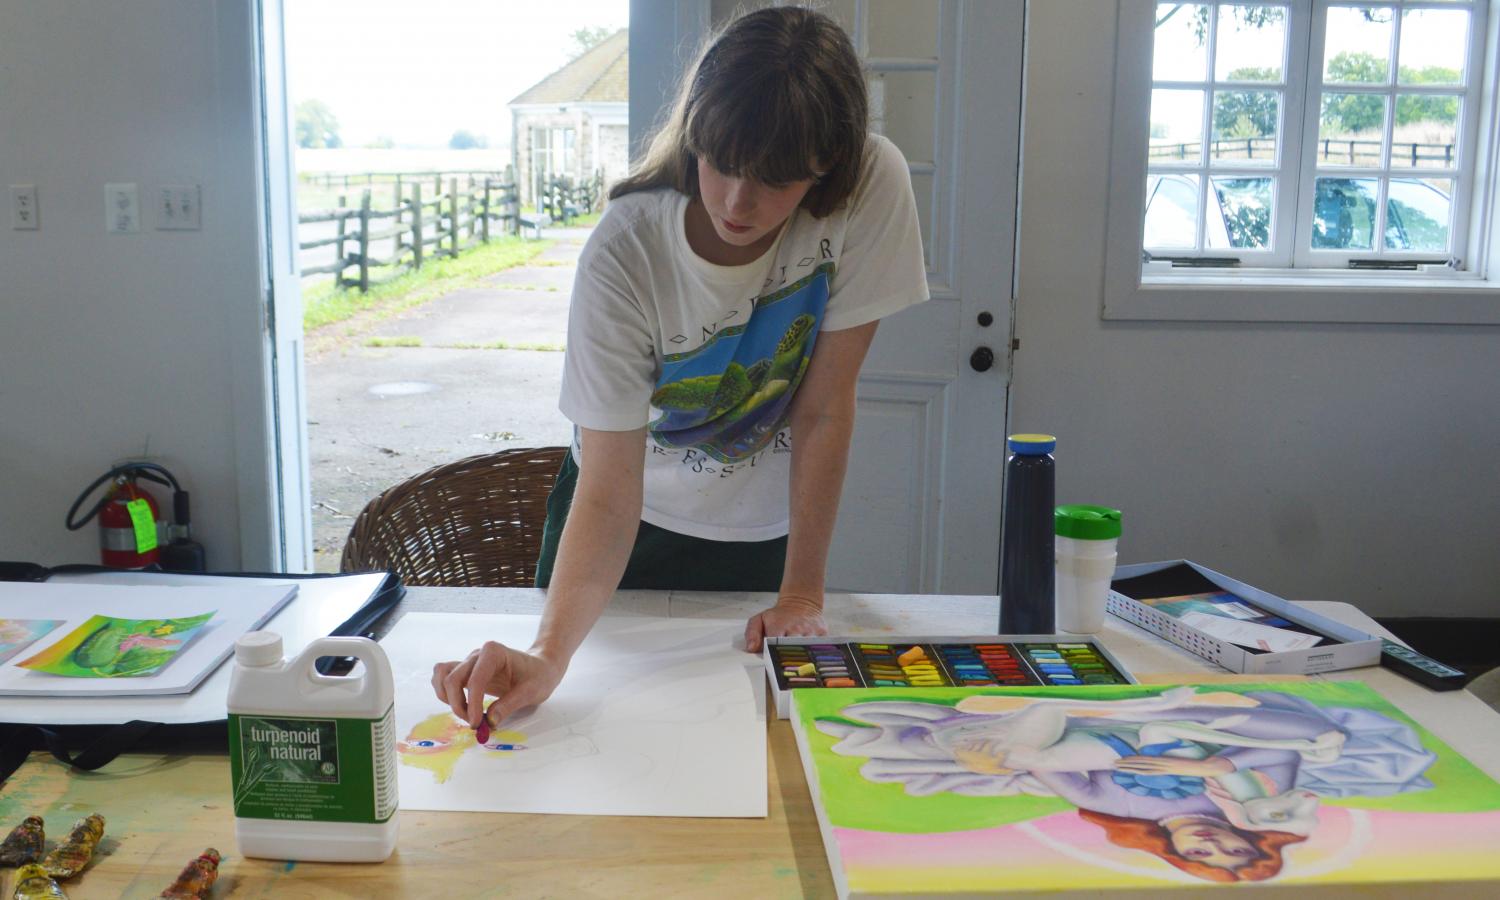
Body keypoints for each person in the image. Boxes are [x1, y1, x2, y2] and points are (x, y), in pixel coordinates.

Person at [432, 6, 928, 732]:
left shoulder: (871, 184)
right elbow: (607, 488)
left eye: (777, 180)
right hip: (617, 521)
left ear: (827, 169)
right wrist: (547, 651)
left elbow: (824, 408)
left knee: (731, 745)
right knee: (582, 740)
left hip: (759, 533)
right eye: (722, 162)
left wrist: (801, 596)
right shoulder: (624, 251)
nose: (738, 201)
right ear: (696, 130)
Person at [815, 687, 1438, 882]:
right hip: (1188, 723)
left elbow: (1061, 777)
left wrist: (1006, 762)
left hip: (1101, 739)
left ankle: (1014, 728)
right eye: (1231, 848)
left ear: (1178, 854)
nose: (1210, 843)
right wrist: (1202, 768)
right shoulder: (1244, 803)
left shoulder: (1113, 806)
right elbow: (1279, 751)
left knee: (1023, 753)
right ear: (1250, 840)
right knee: (1308, 730)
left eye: (1203, 856)